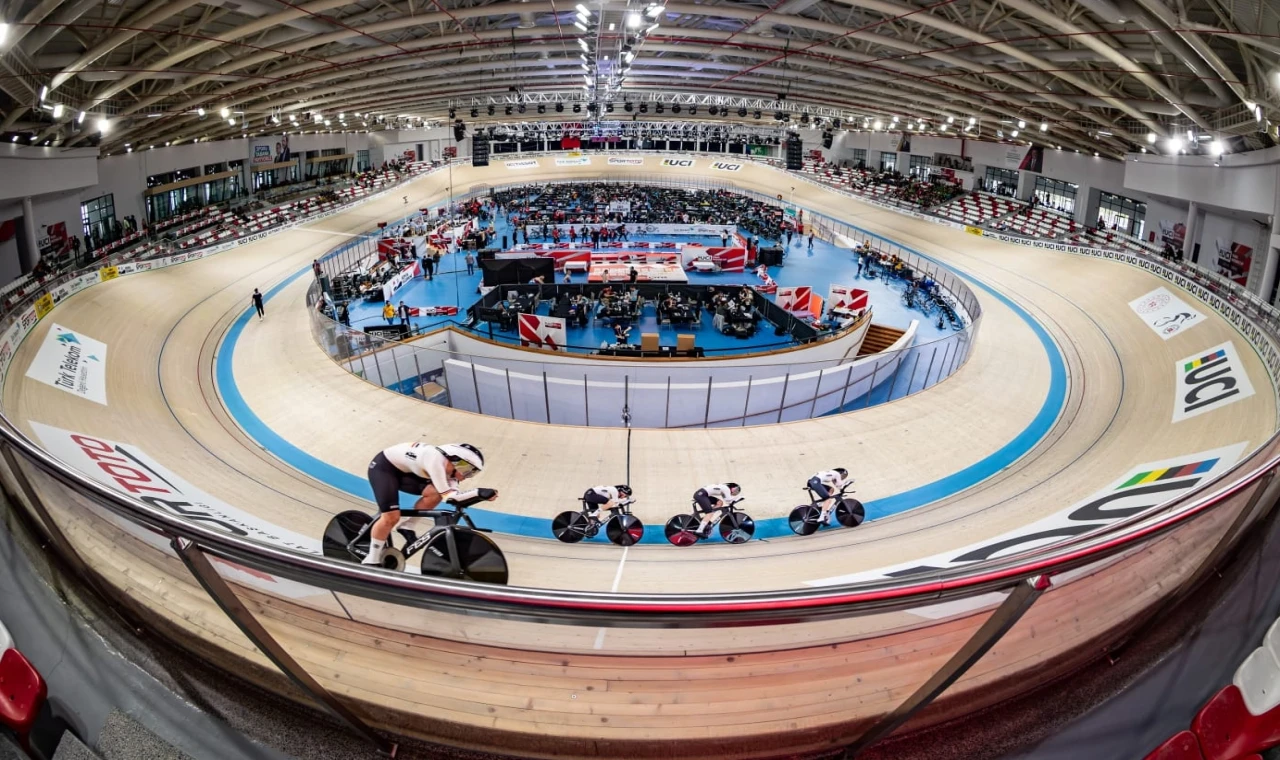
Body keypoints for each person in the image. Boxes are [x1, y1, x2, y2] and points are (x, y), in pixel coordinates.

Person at [362, 443, 496, 566]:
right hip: (384, 469)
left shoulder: (451, 472)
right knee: (391, 517)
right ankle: (371, 560)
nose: (465, 476)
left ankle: (407, 525)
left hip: (406, 473)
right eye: (467, 470)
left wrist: (480, 495)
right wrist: (479, 492)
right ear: (455, 459)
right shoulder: (435, 459)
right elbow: (450, 497)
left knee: (435, 493)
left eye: (472, 473)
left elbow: (455, 496)